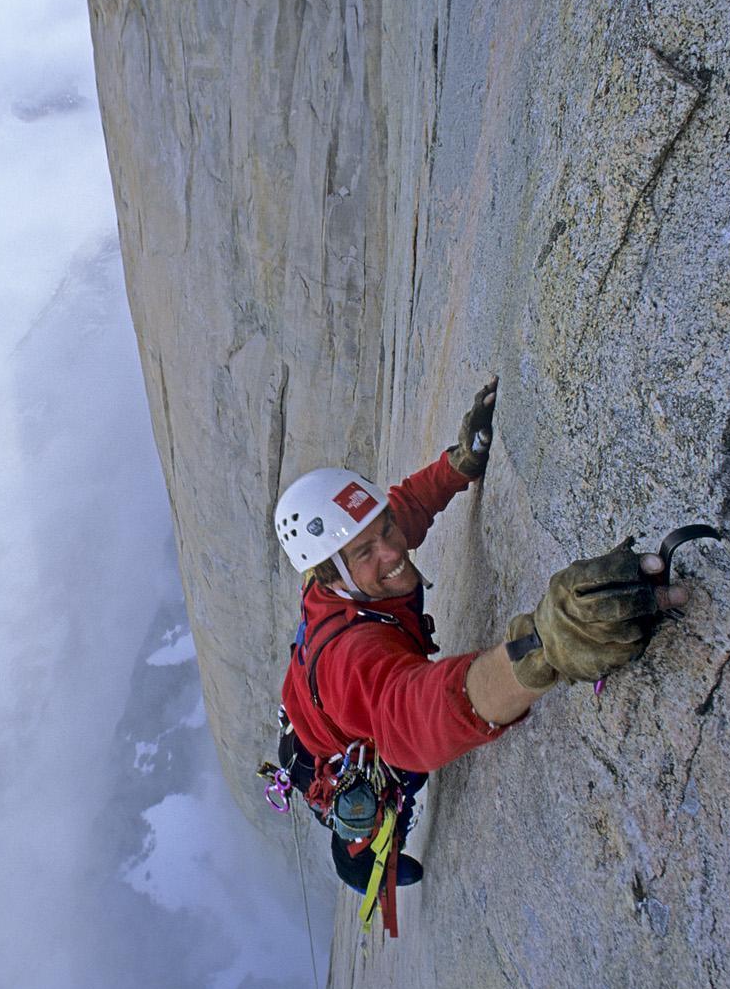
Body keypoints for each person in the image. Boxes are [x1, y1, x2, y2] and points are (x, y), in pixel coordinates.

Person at [274, 378, 688, 893]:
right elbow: (411, 716)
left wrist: (459, 463)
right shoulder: (350, 658)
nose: (392, 550)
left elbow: (407, 507)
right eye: (366, 552)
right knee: (395, 788)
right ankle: (354, 861)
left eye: (383, 529)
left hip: (315, 706)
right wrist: (544, 647)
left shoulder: (355, 560)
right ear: (330, 577)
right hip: (332, 745)